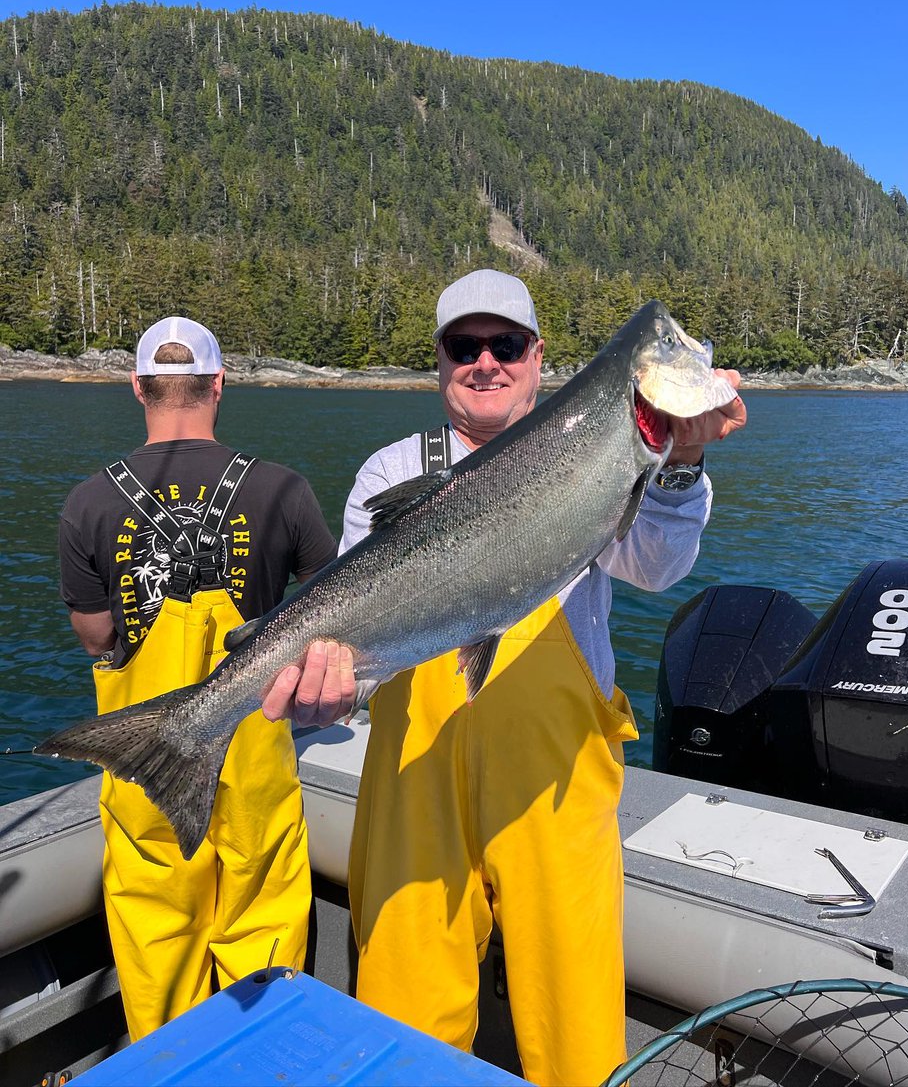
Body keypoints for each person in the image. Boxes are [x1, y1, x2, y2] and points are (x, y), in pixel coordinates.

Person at [267, 270, 747, 1086]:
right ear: (441, 361)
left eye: (506, 344)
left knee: (576, 1020)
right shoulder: (391, 473)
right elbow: (352, 651)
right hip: (416, 768)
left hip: (555, 778)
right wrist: (329, 688)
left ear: (538, 356)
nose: (486, 362)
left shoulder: (595, 448)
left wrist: (678, 460)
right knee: (403, 1003)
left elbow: (658, 566)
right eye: (465, 346)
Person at [58, 316, 339, 1042]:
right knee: (265, 952)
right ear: (220, 385)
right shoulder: (285, 490)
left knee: (158, 956)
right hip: (256, 771)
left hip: (145, 772)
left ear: (138, 388)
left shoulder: (88, 503)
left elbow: (97, 639)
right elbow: (333, 614)